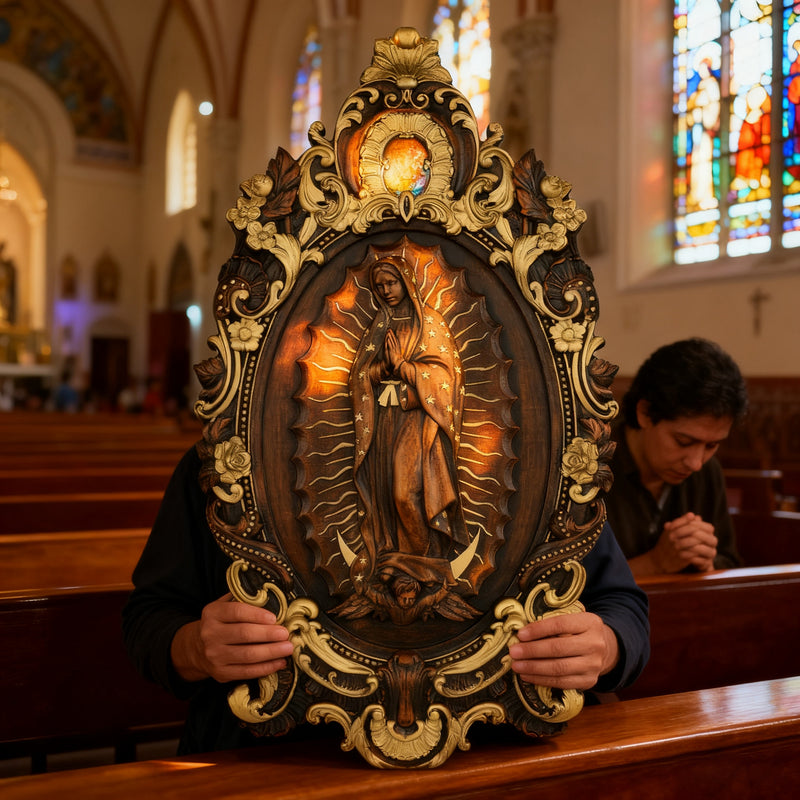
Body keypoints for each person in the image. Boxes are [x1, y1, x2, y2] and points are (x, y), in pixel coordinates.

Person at [123, 441, 649, 755]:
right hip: (280, 758)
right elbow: (149, 618)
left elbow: (624, 610)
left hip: (493, 755)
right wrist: (193, 647)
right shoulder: (228, 462)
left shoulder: (542, 457)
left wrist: (603, 645)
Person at [606, 338, 748, 577]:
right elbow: (565, 590)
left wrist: (707, 563)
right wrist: (655, 564)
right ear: (645, 414)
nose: (696, 463)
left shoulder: (707, 471)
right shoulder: (589, 466)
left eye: (712, 445)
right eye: (683, 442)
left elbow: (729, 562)